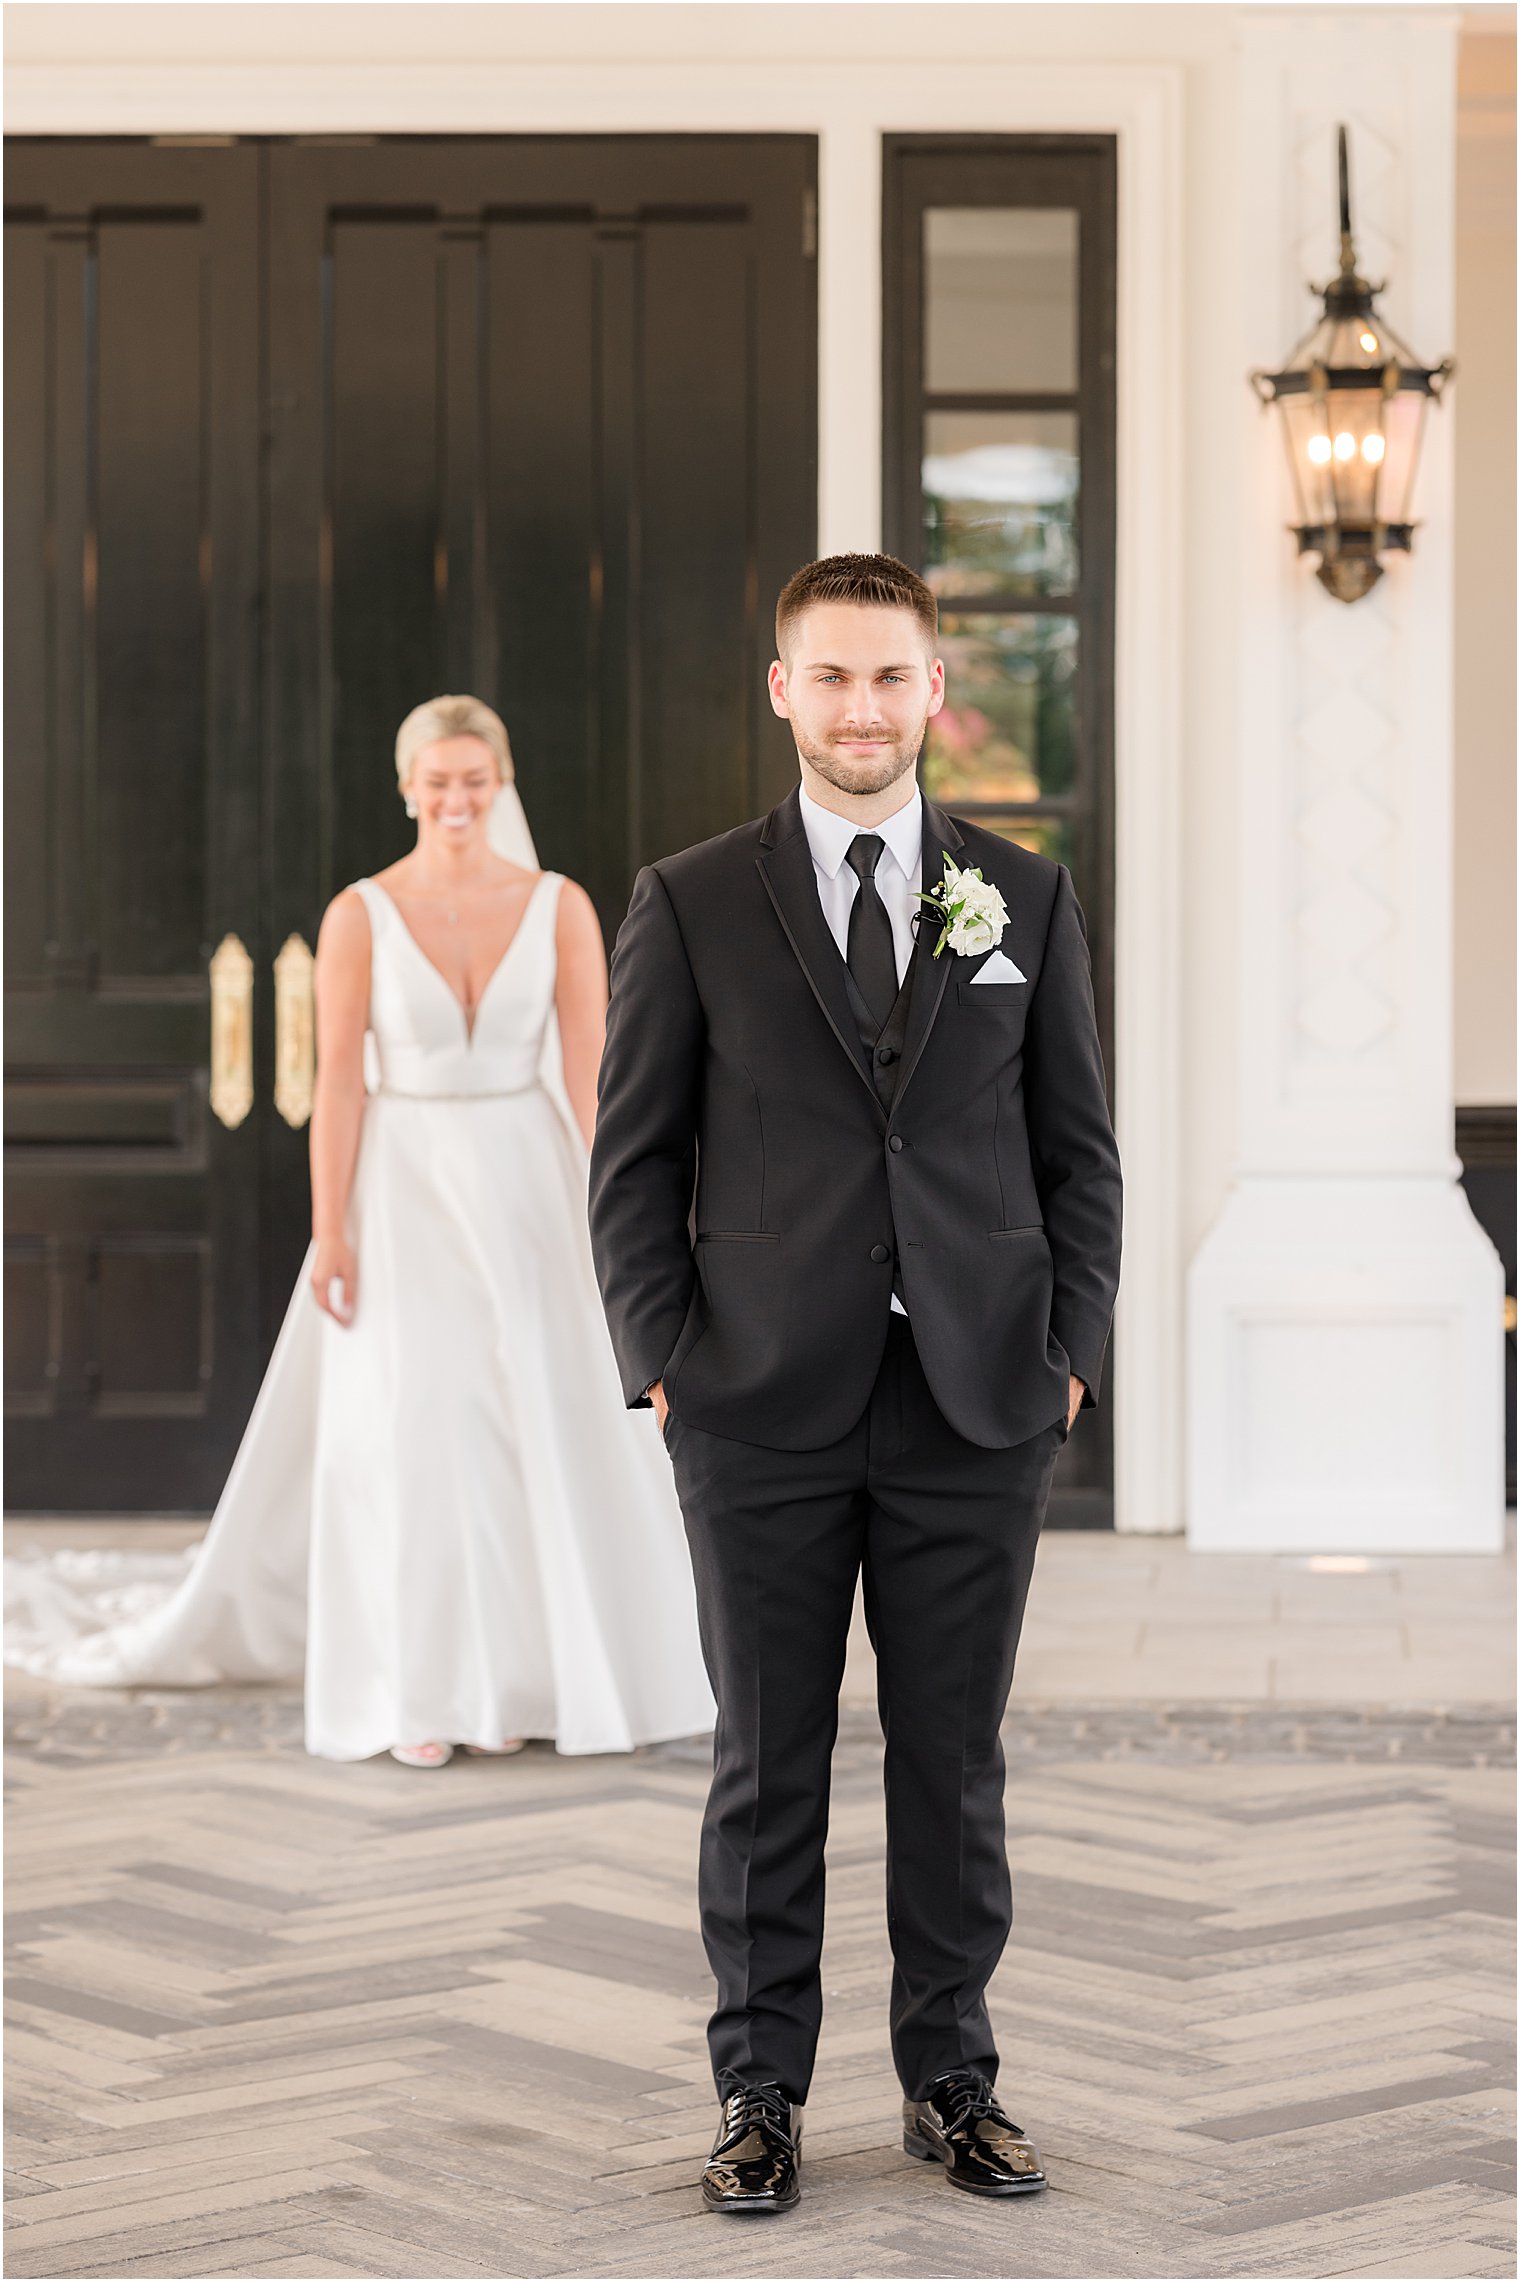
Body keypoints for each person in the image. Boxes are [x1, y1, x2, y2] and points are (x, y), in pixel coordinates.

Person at [589, 556, 1122, 2214]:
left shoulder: (1024, 899)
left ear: (934, 692)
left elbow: (1079, 1154)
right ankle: (758, 2092)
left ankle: (953, 2081)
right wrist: (668, 1364)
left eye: (890, 678)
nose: (863, 709)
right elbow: (633, 1160)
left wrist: (1070, 1359)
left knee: (954, 1761)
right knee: (770, 1759)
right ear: (780, 692)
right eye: (830, 679)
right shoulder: (689, 899)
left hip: (977, 1400)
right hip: (755, 1402)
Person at [4, 697, 714, 1769]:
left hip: (532, 1182)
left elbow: (590, 1074)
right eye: (438, 779)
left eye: (475, 778)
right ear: (406, 786)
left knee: (540, 1420)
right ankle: (423, 1687)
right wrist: (330, 1231)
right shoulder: (360, 913)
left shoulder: (560, 905)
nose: (457, 798)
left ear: (502, 781)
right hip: (405, 1185)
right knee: (423, 1430)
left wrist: (618, 1215)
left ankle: (528, 1674)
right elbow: (339, 1082)